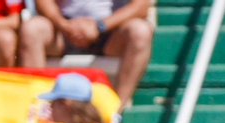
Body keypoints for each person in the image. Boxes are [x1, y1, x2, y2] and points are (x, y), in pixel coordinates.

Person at [19, 0, 153, 105]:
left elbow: (141, 6)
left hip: (111, 30)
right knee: (32, 29)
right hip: (61, 29)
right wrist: (64, 25)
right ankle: (37, 108)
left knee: (140, 31)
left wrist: (100, 26)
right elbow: (42, 3)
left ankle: (114, 112)